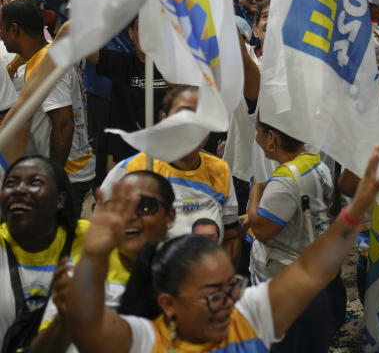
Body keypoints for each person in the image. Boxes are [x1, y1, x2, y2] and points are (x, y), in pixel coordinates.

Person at [63, 145, 379, 353]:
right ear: (168, 304)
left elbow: (311, 269)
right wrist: (93, 255)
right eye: (212, 294)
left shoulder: (244, 316)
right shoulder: (147, 341)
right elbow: (89, 328)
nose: (228, 302)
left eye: (231, 287)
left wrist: (355, 212)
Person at [32, 171, 176, 353]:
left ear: (170, 215)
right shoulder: (83, 272)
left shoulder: (184, 273)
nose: (130, 217)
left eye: (145, 206)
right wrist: (65, 318)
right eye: (122, 207)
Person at [100, 86, 241, 263]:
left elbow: (231, 236)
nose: (194, 123)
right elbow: (101, 233)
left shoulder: (219, 170)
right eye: (184, 114)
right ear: (164, 119)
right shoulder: (132, 170)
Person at [246, 117, 341, 353]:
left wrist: (256, 190)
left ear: (273, 139)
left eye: (258, 133)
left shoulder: (284, 181)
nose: (256, 139)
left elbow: (261, 229)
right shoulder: (317, 164)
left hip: (286, 285)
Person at [1, 0, 93, 211]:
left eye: (2, 29)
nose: (1, 36)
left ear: (14, 29)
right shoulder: (41, 60)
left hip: (69, 178)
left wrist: (54, 179)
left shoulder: (48, 63)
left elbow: (63, 125)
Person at [0, 156, 84, 352]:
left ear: (60, 199)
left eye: (35, 182)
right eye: (11, 183)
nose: (19, 190)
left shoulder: (88, 239)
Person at [88, 16, 168, 164]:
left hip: (163, 153)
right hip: (127, 154)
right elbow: (87, 50)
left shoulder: (171, 68)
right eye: (140, 30)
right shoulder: (121, 63)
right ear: (131, 33)